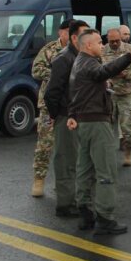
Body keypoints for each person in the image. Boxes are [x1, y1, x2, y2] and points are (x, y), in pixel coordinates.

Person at [67, 29, 131, 235]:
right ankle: (105, 218)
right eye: (98, 42)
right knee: (106, 171)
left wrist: (73, 114)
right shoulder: (88, 63)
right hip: (95, 123)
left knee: (85, 169)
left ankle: (85, 213)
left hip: (85, 122)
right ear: (88, 46)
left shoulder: (80, 62)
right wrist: (130, 55)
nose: (102, 45)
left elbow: (81, 89)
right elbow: (104, 72)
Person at [44, 19, 89, 219]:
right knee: (66, 161)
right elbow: (52, 93)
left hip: (81, 116)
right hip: (66, 116)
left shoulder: (83, 56)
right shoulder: (64, 59)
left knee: (79, 161)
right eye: (84, 34)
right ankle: (65, 204)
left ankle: (77, 200)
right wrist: (59, 116)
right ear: (73, 37)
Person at [29, 18, 71, 197]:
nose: (71, 35)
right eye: (68, 31)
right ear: (60, 32)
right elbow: (36, 70)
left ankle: (64, 182)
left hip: (71, 104)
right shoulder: (49, 50)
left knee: (68, 147)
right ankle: (39, 180)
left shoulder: (79, 51)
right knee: (45, 144)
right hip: (49, 104)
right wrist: (57, 73)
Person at [102, 27, 131, 166]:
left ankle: (128, 154)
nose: (115, 44)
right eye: (112, 42)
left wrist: (127, 74)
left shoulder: (130, 50)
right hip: (108, 95)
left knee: (127, 126)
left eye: (117, 41)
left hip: (126, 93)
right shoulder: (102, 51)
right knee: (106, 127)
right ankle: (107, 155)